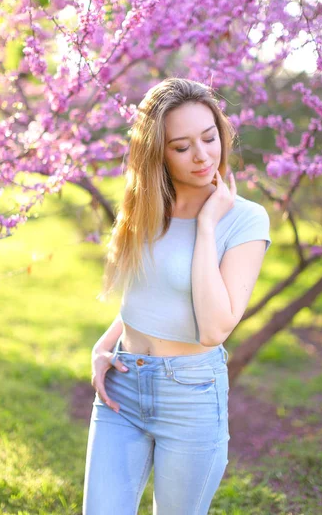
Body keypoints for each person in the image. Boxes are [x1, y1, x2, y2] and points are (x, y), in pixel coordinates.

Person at [82, 78, 271, 514]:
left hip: (190, 393)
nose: (202, 155)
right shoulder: (145, 206)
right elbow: (149, 288)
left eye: (209, 138)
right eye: (181, 147)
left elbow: (214, 328)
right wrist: (105, 343)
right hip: (121, 385)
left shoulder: (244, 221)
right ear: (157, 154)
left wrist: (206, 227)